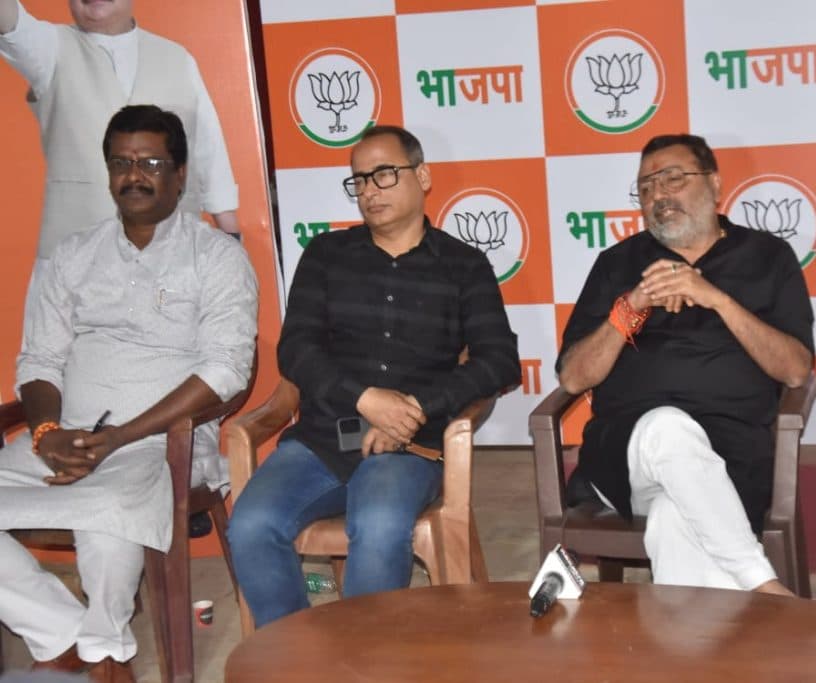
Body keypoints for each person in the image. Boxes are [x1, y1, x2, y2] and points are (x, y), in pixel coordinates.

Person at [0, 105, 257, 682]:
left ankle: (105, 655)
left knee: (110, 510)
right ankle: (63, 633)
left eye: (151, 163)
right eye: (121, 162)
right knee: (100, 499)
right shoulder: (72, 256)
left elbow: (226, 370)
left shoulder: (217, 257)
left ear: (180, 174)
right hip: (68, 436)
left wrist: (117, 439)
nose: (134, 175)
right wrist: (48, 434)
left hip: (163, 443)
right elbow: (39, 360)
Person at [228, 125, 520, 628]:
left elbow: (500, 361)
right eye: (359, 179)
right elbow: (296, 349)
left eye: (383, 174)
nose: (369, 190)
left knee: (380, 523)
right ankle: (290, 654)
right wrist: (365, 399)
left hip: (410, 446)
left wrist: (414, 409)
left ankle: (364, 659)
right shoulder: (326, 255)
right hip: (323, 440)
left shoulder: (463, 265)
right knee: (251, 525)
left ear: (422, 177)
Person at [557, 133, 814, 596]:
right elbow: (574, 377)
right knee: (668, 427)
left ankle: (702, 641)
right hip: (629, 454)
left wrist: (715, 298)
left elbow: (795, 370)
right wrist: (633, 304)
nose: (659, 195)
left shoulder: (767, 257)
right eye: (646, 187)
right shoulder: (619, 264)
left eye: (673, 179)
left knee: (672, 519)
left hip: (732, 453)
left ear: (714, 184)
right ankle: (762, 584)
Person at [0, 0, 241, 293]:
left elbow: (207, 148)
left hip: (171, 267)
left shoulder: (178, 59)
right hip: (78, 274)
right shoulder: (49, 48)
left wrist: (230, 236)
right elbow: (10, 20)